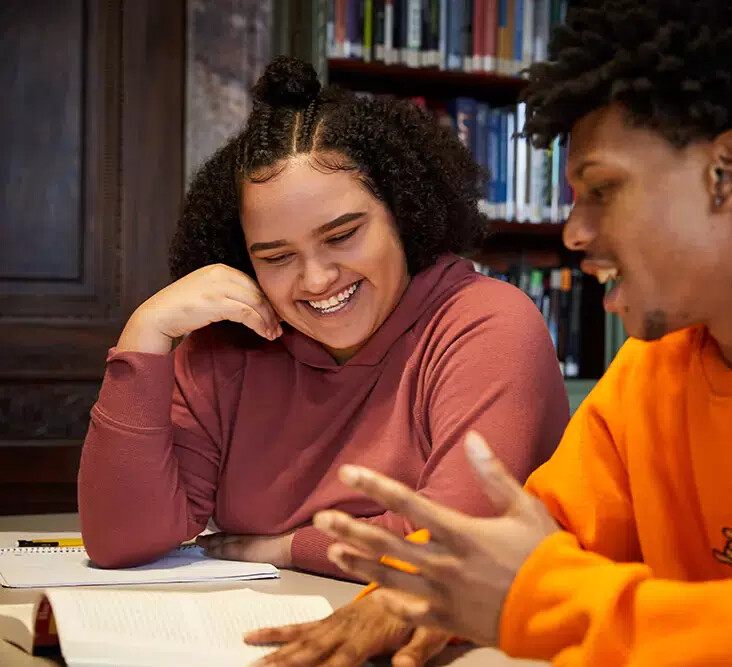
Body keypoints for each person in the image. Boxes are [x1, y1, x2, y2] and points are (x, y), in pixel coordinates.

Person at [296, 0, 732, 664]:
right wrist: (416, 589)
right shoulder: (649, 373)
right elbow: (538, 538)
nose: (575, 233)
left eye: (602, 190)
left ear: (724, 173)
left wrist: (551, 602)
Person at [78, 56, 568, 663]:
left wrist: (286, 547)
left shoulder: (487, 323)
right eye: (275, 256)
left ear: (402, 210)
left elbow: (451, 548)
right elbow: (121, 541)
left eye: (342, 235)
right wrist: (144, 335)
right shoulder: (230, 344)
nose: (315, 279)